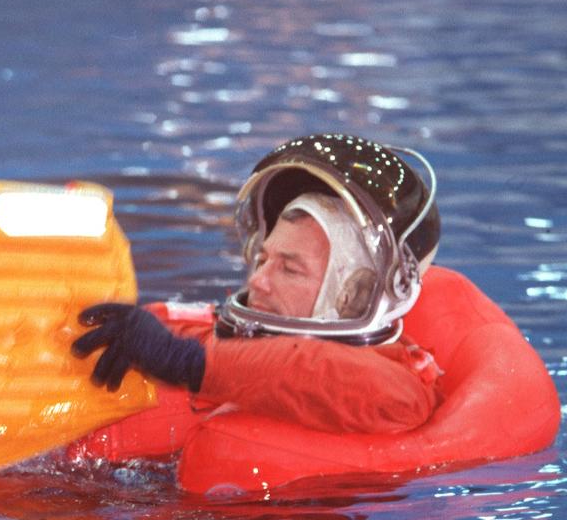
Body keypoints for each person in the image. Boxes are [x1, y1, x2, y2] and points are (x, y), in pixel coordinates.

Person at [71, 134, 443, 438]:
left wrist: (185, 363)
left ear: (354, 295)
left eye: (290, 269)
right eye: (263, 259)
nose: (257, 281)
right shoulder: (233, 342)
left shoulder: (396, 390)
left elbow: (321, 375)